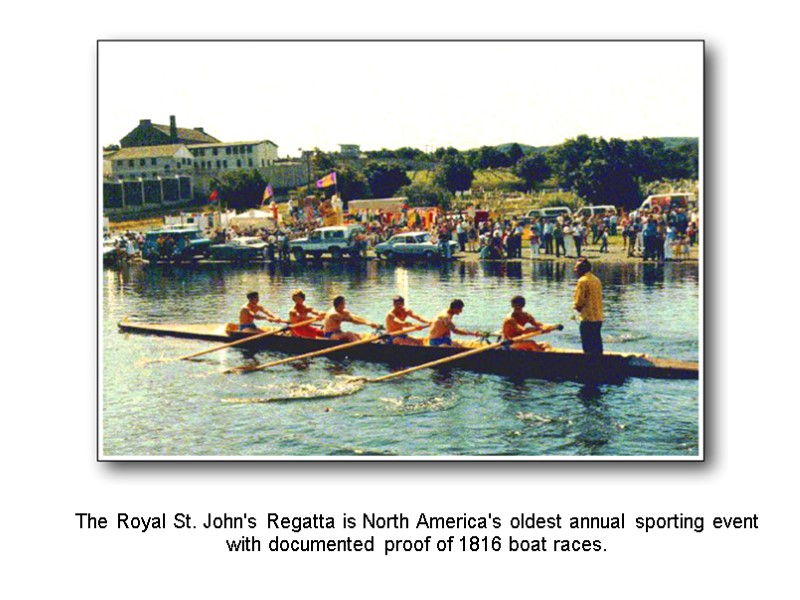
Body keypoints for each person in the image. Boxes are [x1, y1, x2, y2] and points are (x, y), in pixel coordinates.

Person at [573, 258, 604, 354]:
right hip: (598, 318)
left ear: (582, 269)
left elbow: (579, 302)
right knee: (597, 345)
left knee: (588, 347)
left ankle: (589, 362)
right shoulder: (596, 279)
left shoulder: (582, 281)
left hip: (587, 319)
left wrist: (577, 308)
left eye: (576, 268)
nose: (574, 270)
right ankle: (600, 361)